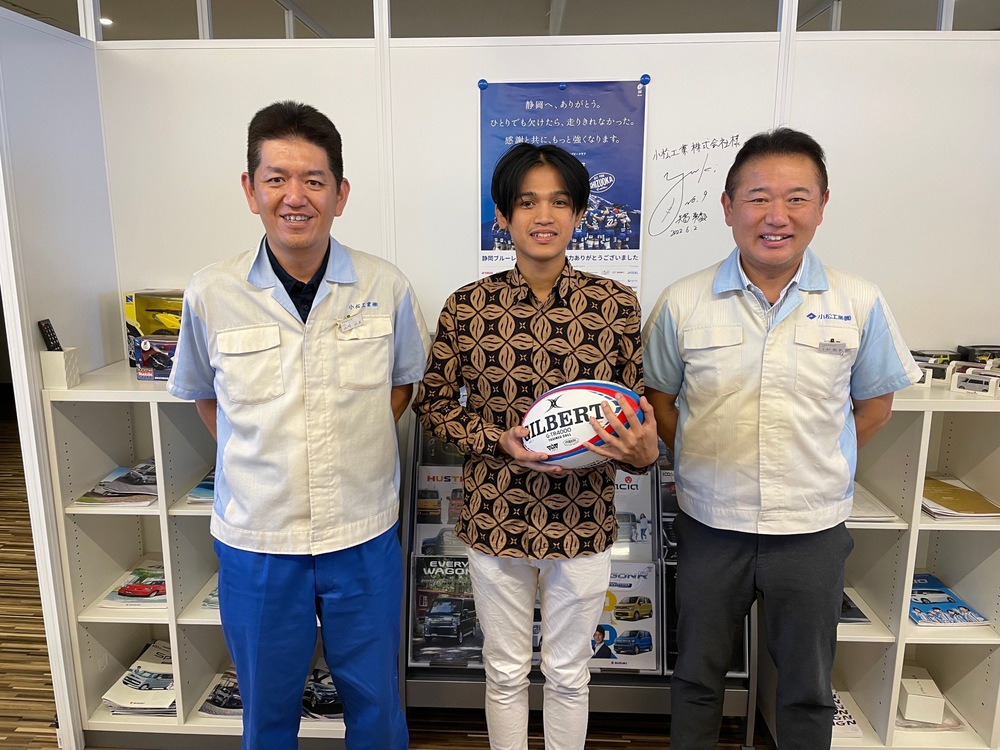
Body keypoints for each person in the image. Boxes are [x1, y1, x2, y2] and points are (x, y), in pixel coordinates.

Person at [642, 127, 920, 750]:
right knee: (697, 677)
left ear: (822, 206)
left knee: (806, 686)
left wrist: (815, 458)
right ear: (728, 207)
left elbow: (874, 407)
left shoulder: (858, 300)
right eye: (758, 197)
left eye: (797, 198)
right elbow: (660, 400)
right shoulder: (683, 301)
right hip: (711, 524)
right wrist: (703, 456)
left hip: (812, 529)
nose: (777, 216)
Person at [167, 100, 429, 750]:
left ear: (341, 193)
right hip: (258, 539)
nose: (295, 196)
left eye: (314, 180)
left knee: (377, 706)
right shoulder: (211, 292)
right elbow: (206, 397)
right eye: (277, 178)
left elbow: (400, 385)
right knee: (266, 711)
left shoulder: (385, 286)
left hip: (362, 533)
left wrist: (347, 445)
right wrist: (265, 456)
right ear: (250, 189)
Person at [413, 142, 659, 750]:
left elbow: (633, 413)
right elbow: (434, 404)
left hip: (583, 519)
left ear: (578, 215)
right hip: (496, 515)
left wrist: (643, 452)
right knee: (503, 672)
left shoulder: (615, 305)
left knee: (570, 674)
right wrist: (496, 440)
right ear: (502, 216)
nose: (543, 216)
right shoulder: (467, 307)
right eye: (527, 202)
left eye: (559, 202)